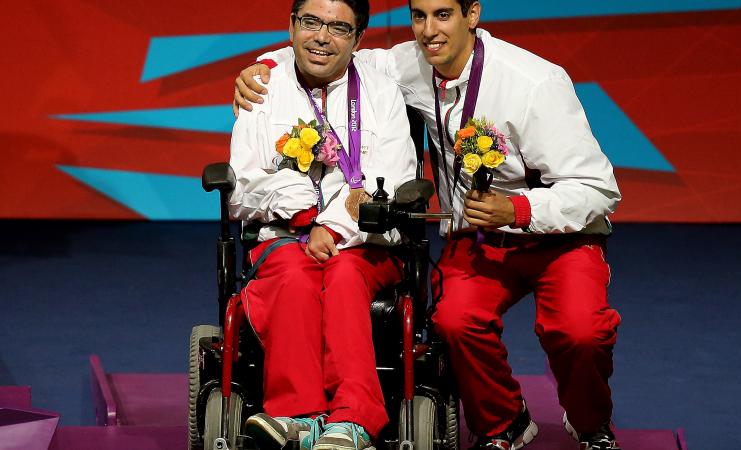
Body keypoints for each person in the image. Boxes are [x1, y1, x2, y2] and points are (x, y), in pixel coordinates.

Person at [234, 1, 623, 449]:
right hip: (480, 235)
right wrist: (262, 66)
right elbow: (330, 48)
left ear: (472, 14)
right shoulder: (409, 62)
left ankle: (592, 425)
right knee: (453, 321)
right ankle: (505, 425)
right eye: (418, 15)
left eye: (443, 15)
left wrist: (517, 210)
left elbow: (599, 190)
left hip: (560, 236)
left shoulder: (535, 83)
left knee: (579, 331)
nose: (428, 30)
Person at [228, 0, 417, 449]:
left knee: (346, 274)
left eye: (338, 28)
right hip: (284, 238)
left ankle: (355, 418)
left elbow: (390, 173)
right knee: (294, 276)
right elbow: (242, 185)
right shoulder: (263, 88)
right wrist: (298, 207)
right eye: (310, 22)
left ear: (358, 39)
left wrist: (331, 226)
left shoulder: (381, 88)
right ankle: (298, 414)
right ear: (291, 25)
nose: (321, 36)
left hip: (365, 243)